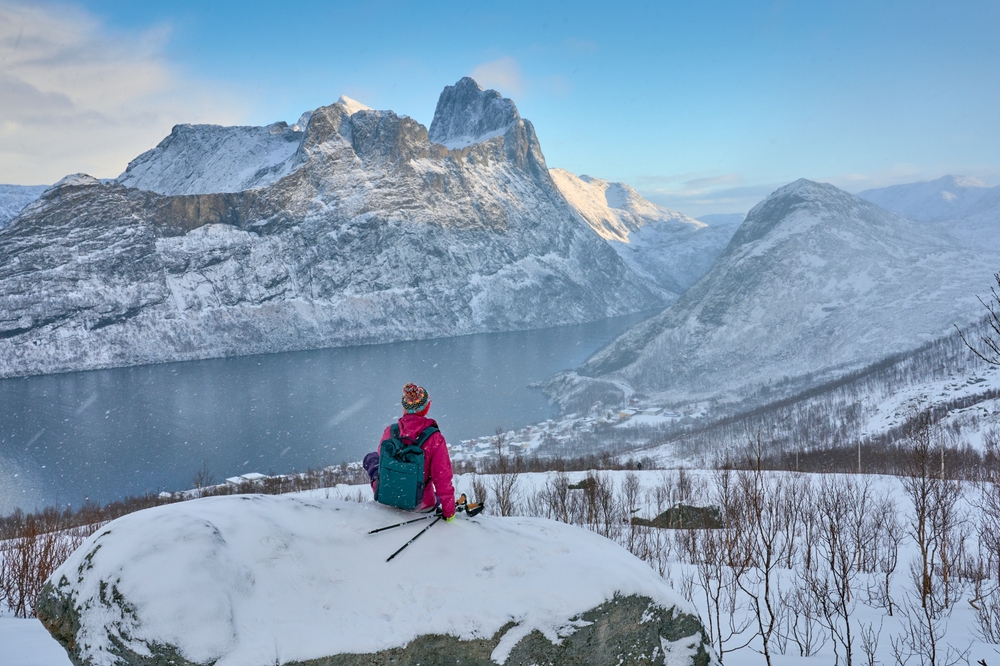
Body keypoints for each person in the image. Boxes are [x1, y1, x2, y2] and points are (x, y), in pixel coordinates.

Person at [363, 383, 457, 520]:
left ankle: (388, 489)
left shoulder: (390, 431)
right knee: (434, 497)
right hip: (421, 505)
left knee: (372, 458)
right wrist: (449, 513)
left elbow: (383, 462)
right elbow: (442, 478)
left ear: (404, 408)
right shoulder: (434, 438)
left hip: (389, 498)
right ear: (426, 408)